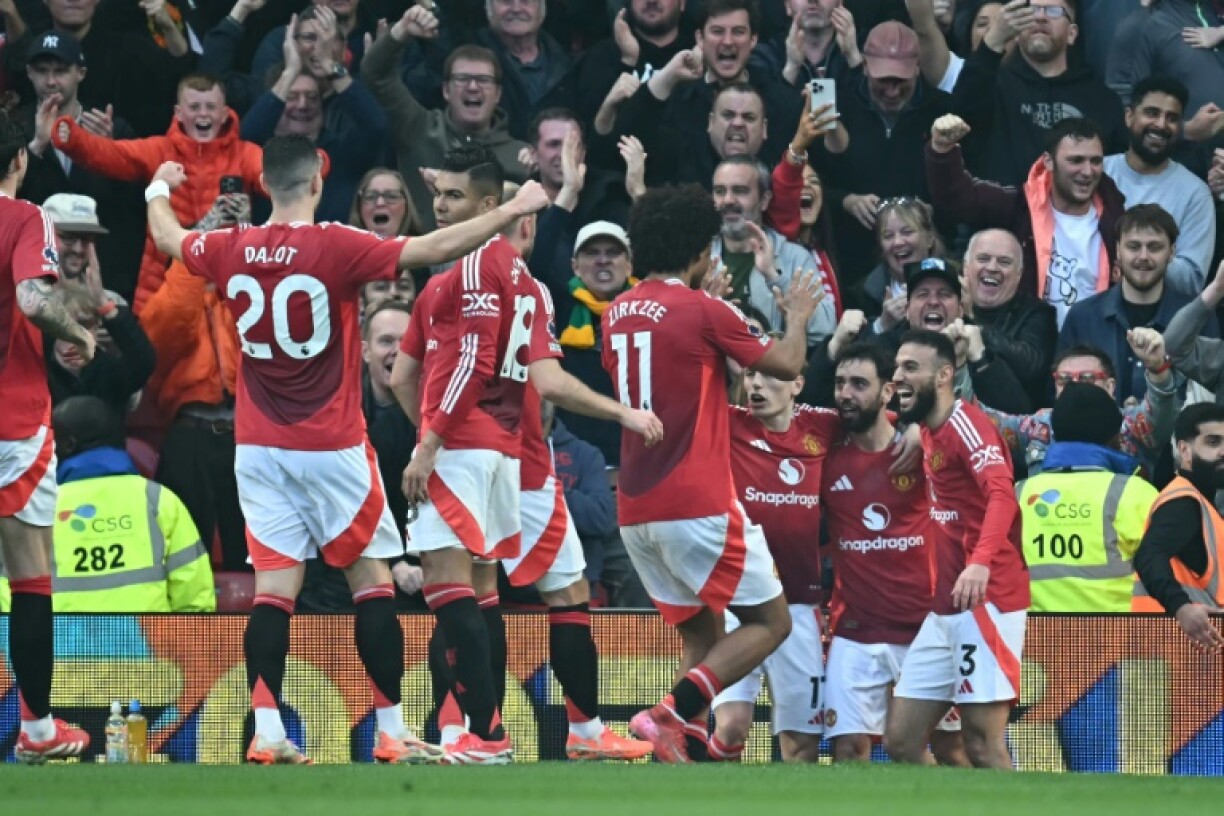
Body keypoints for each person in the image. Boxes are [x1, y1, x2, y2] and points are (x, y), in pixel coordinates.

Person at [143, 135, 553, 765]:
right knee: (372, 583)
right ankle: (390, 730)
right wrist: (508, 210)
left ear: (265, 185)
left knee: (273, 589)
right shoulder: (335, 243)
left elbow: (169, 238)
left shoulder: (231, 246)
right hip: (331, 441)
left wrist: (157, 187)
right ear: (314, 184)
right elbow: (434, 246)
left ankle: (269, 734)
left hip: (257, 445)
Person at [392, 150, 663, 764]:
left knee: (457, 593)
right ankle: (581, 731)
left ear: (492, 210)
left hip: (472, 450)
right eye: (440, 196)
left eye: (455, 198)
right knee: (544, 598)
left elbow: (429, 371)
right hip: (524, 463)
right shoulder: (532, 286)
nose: (441, 206)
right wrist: (621, 413)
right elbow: (549, 381)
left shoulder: (453, 277)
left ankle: (473, 734)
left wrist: (429, 436)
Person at [600, 183, 823, 763]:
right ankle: (668, 713)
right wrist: (797, 317)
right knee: (771, 623)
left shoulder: (616, 313)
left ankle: (687, 744)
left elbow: (700, 385)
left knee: (701, 634)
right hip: (695, 500)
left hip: (637, 507)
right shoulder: (703, 308)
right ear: (700, 251)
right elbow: (788, 364)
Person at [885, 330, 1029, 770]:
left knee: (982, 744)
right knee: (902, 741)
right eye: (897, 367)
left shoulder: (968, 426)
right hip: (945, 609)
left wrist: (980, 564)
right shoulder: (930, 427)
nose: (897, 377)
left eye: (911, 368)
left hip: (987, 600)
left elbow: (1003, 495)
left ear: (945, 375)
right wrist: (911, 429)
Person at [0, 109, 95, 763]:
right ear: (19, 162)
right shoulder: (24, 217)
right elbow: (35, 302)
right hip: (10, 423)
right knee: (30, 578)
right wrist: (81, 332)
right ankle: (37, 731)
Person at [820, 342, 964, 765]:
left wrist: (921, 430)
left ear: (887, 392)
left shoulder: (923, 449)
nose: (846, 393)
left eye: (859, 384)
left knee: (951, 749)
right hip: (854, 630)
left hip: (924, 629)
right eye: (840, 383)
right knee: (848, 749)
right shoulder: (825, 454)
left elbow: (963, 420)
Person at [709, 362, 839, 763]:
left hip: (799, 606)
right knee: (730, 728)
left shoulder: (823, 426)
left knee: (800, 745)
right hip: (738, 603)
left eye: (772, 377)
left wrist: (917, 439)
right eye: (750, 376)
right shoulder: (727, 422)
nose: (758, 385)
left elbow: (887, 421)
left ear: (798, 384)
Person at [51, 73, 266, 313]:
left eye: (211, 107)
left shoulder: (245, 155)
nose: (203, 114)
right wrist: (74, 139)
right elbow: (111, 154)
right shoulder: (160, 150)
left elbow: (279, 178)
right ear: (178, 112)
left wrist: (313, 167)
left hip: (225, 292)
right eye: (194, 107)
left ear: (225, 113)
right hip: (162, 290)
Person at [926, 114, 1126, 327]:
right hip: (1032, 346)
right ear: (1048, 161)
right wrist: (942, 150)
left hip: (1092, 349)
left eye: (1095, 161)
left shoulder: (1116, 218)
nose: (1087, 171)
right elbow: (957, 199)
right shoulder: (1019, 207)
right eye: (1076, 160)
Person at [362, 8, 530, 233]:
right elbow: (375, 73)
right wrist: (401, 31)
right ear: (446, 91)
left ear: (498, 94)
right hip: (422, 262)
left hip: (490, 265)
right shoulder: (418, 127)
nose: (472, 87)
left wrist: (538, 173)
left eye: (483, 80)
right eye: (462, 79)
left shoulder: (520, 157)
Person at [49, 396, 214, 612]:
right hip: (147, 644)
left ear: (67, 445)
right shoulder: (159, 500)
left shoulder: (40, 507)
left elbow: (9, 597)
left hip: (62, 644)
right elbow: (195, 598)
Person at [1058, 204, 1216, 407]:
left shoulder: (1200, 319)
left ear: (1172, 252)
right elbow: (1058, 390)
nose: (1143, 256)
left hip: (1177, 437)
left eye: (1154, 247)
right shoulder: (1082, 316)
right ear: (1118, 250)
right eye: (1133, 246)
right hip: (1098, 436)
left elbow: (1212, 397)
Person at [1018, 383, 1157, 612]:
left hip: (1033, 642)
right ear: (1116, 435)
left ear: (1054, 433)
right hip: (1120, 642)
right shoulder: (1136, 494)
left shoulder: (1017, 495)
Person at [1102, 76, 1215, 295]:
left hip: (1160, 321)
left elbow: (1192, 280)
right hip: (1089, 307)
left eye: (1172, 118)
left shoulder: (1195, 193)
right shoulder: (1097, 172)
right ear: (1129, 116)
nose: (1161, 124)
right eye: (1152, 113)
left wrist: (1133, 255)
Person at [1133, 403, 1224, 652]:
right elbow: (1148, 555)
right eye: (1213, 442)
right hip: (1180, 650)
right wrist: (1181, 608)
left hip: (1191, 650)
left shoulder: (1200, 502)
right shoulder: (1184, 501)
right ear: (1184, 450)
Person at [960, 228, 1058, 411]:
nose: (992, 267)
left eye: (1004, 262)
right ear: (965, 267)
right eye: (983, 259)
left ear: (1019, 274)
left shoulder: (1038, 313)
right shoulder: (945, 303)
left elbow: (1031, 367)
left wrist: (974, 323)